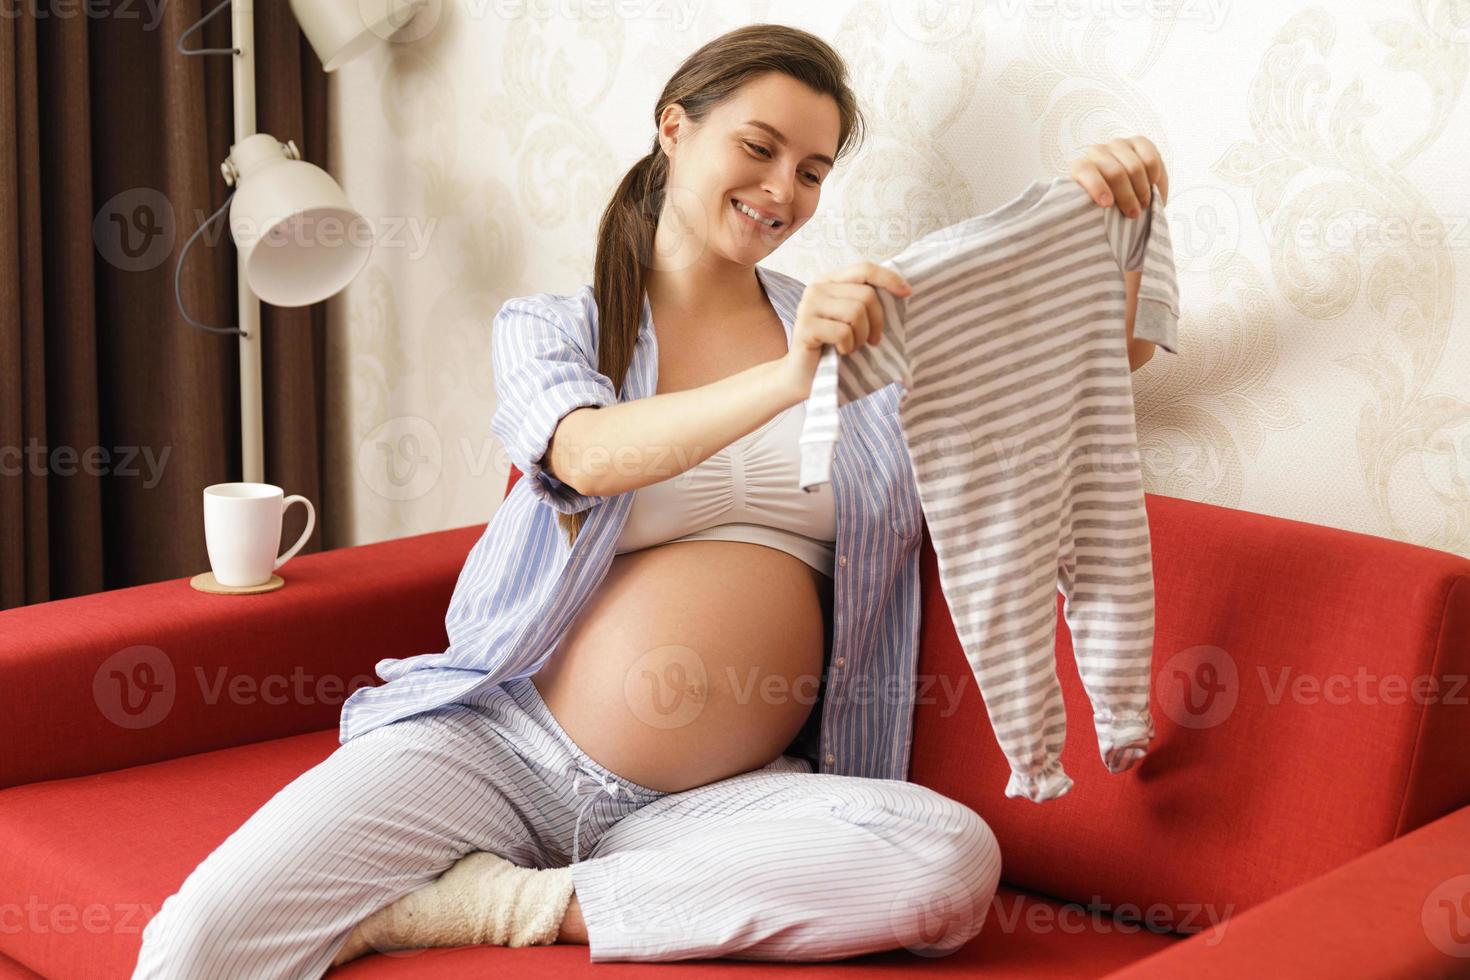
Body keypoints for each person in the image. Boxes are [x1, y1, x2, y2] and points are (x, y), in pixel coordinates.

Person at [132, 22, 1169, 978]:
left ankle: (498, 903)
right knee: (198, 938)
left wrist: (1111, 223)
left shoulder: (860, 335)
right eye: (758, 148)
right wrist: (789, 375)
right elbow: (586, 454)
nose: (783, 190)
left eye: (811, 171)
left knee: (947, 859)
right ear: (675, 128)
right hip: (498, 744)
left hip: (716, 804)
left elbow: (1065, 387)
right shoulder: (559, 325)